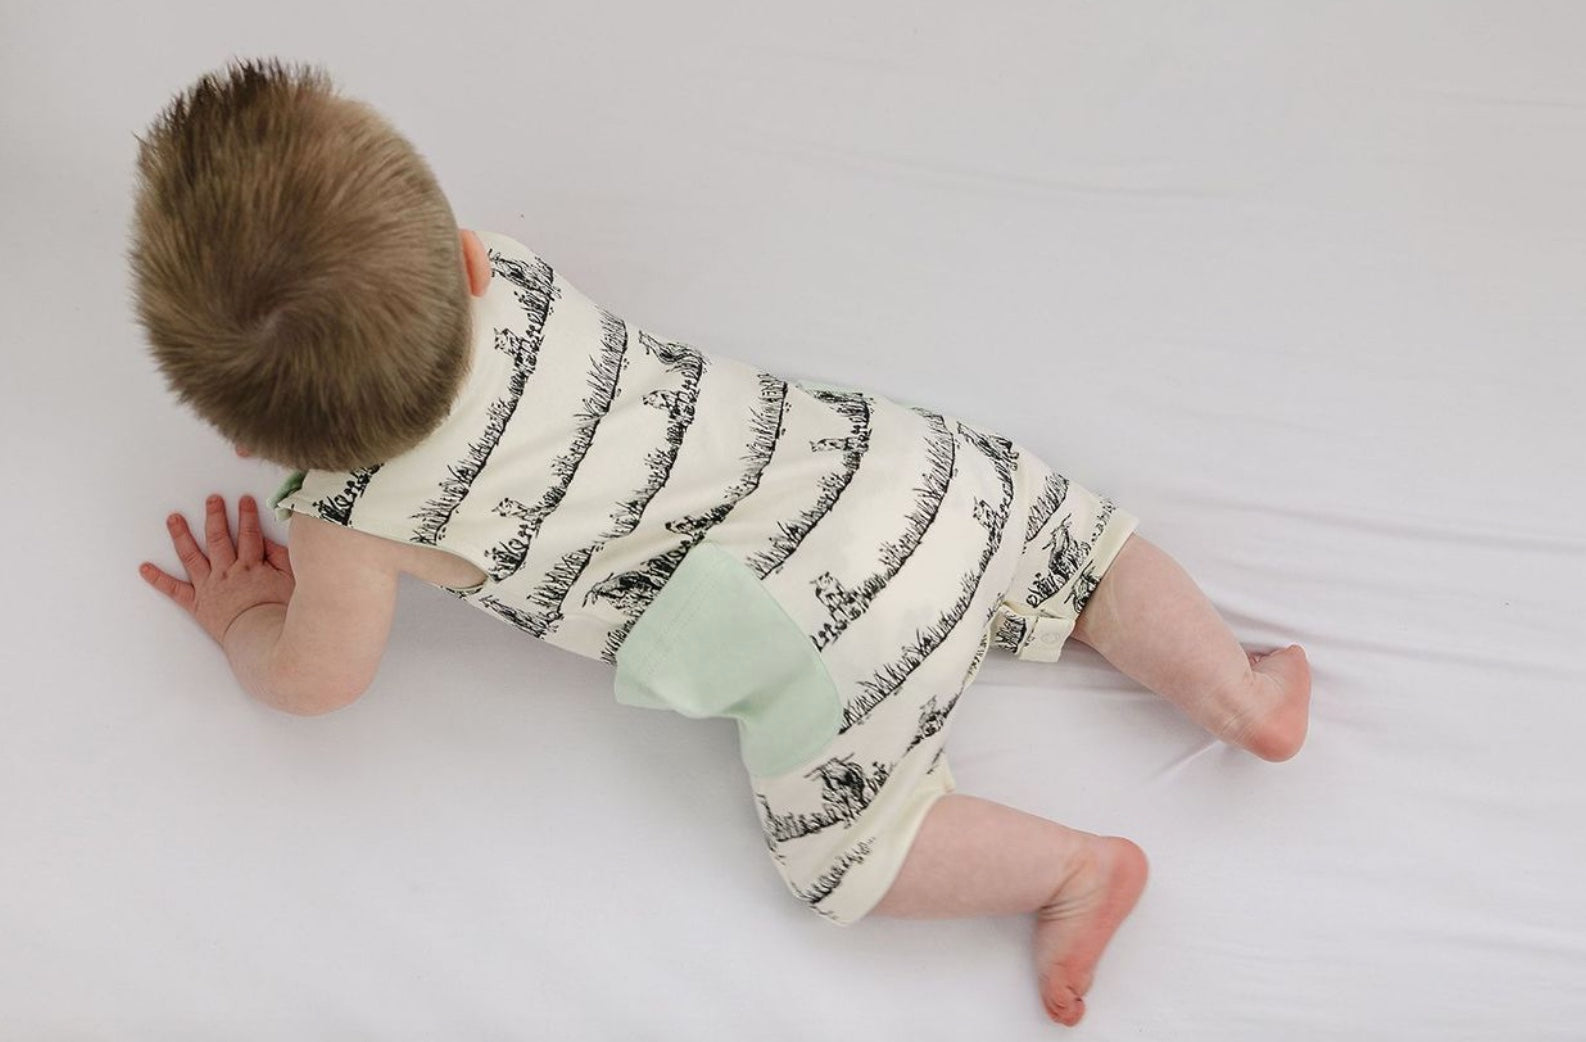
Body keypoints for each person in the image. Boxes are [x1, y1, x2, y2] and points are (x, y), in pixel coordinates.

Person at [132, 59, 1310, 1027]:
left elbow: (318, 680)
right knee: (1077, 544)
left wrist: (249, 622)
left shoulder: (345, 519)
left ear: (247, 443)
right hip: (912, 473)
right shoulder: (508, 278)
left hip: (825, 641)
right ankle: (1235, 693)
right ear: (464, 257)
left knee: (845, 859)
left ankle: (1074, 870)